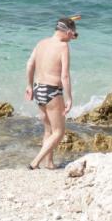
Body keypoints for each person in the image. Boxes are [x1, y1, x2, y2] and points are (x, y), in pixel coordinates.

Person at [24, 17, 75, 170]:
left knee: (49, 130)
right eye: (74, 34)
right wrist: (69, 98)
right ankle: (35, 162)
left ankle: (49, 163)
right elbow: (64, 76)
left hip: (38, 89)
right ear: (68, 32)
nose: (73, 38)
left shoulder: (41, 43)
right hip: (52, 91)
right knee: (59, 132)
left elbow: (29, 64)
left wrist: (29, 85)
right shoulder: (63, 46)